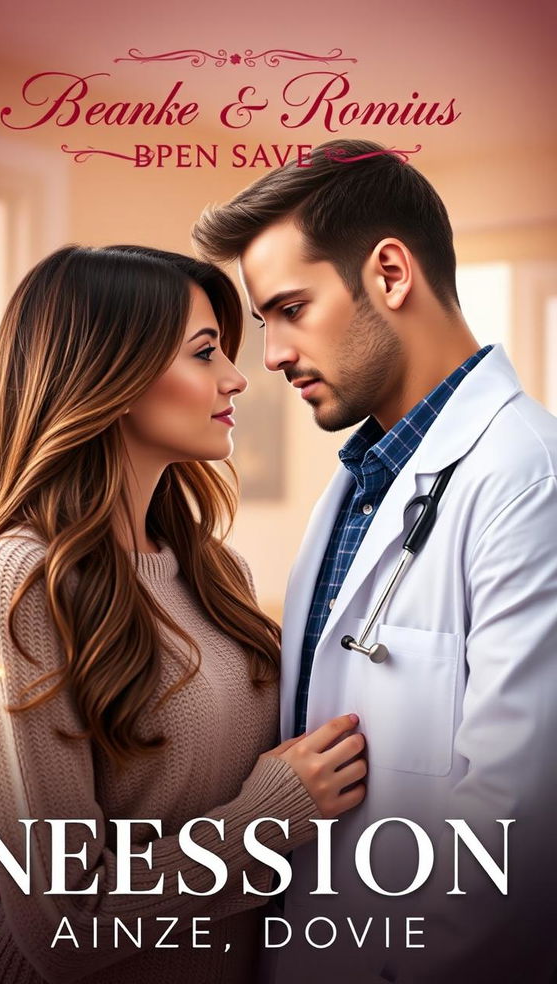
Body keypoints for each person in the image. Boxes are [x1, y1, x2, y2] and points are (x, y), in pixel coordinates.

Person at [0, 243, 368, 984]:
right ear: (110, 377)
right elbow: (69, 926)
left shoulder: (216, 572)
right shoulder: (14, 582)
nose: (237, 376)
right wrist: (274, 813)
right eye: (205, 353)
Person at [189, 140, 557, 981]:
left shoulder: (529, 479)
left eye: (289, 309)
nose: (271, 355)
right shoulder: (361, 481)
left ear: (390, 273)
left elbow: (517, 835)